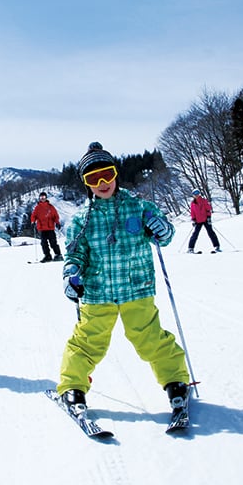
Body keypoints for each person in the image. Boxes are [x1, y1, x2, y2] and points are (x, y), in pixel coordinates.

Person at [56, 142, 191, 417]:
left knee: (150, 337)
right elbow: (75, 255)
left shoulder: (139, 208)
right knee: (87, 342)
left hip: (136, 288)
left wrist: (160, 227)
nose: (103, 183)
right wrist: (71, 274)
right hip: (97, 291)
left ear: (116, 173)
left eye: (107, 174)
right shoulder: (81, 220)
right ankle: (73, 386)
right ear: (86, 184)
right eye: (94, 179)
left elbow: (166, 236)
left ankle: (175, 381)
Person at [30, 191, 63, 262]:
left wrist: (57, 222)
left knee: (53, 242)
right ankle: (47, 256)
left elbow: (55, 216)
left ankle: (58, 255)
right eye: (41, 197)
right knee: (44, 243)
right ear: (39, 198)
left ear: (46, 198)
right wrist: (33, 221)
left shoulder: (50, 207)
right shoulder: (37, 208)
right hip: (42, 228)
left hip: (50, 227)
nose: (42, 198)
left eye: (44, 197)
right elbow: (34, 216)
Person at [188, 189, 221, 253]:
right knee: (195, 234)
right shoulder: (193, 203)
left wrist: (209, 217)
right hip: (198, 221)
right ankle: (190, 248)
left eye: (197, 193)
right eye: (195, 194)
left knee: (211, 233)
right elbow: (192, 212)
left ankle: (217, 246)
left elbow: (208, 209)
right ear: (193, 195)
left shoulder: (204, 201)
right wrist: (193, 219)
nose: (196, 195)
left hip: (205, 219)